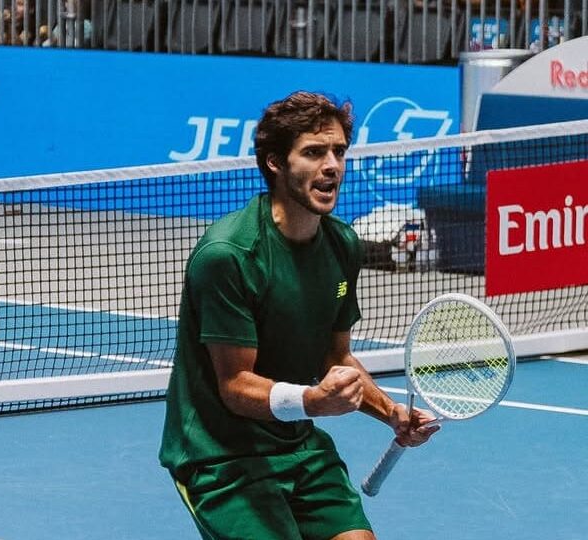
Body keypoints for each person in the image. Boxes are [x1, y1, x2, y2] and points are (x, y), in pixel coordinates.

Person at [159, 91, 440, 540]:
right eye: (313, 152)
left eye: (339, 152)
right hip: (221, 458)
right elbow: (234, 387)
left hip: (298, 446)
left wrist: (392, 413)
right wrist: (311, 402)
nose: (332, 165)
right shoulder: (230, 255)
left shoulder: (342, 245)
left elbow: (337, 358)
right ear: (275, 163)